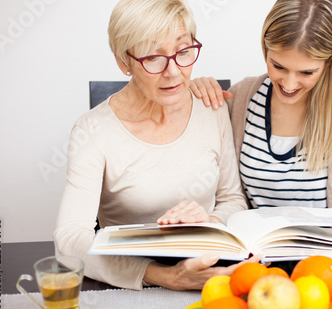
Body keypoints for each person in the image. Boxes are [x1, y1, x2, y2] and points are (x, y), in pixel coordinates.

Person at [54, 0, 258, 291]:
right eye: (153, 57)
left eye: (184, 51)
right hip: (129, 288)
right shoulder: (92, 131)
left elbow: (233, 200)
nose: (173, 72)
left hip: (208, 276)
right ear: (123, 61)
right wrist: (166, 276)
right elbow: (69, 240)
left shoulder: (210, 107)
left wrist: (209, 220)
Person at [190, 0, 332, 243]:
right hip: (257, 254)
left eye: (307, 72)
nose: (289, 84)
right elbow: (225, 192)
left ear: (328, 62)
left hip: (330, 254)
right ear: (265, 49)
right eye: (279, 67)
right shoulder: (241, 99)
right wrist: (191, 94)